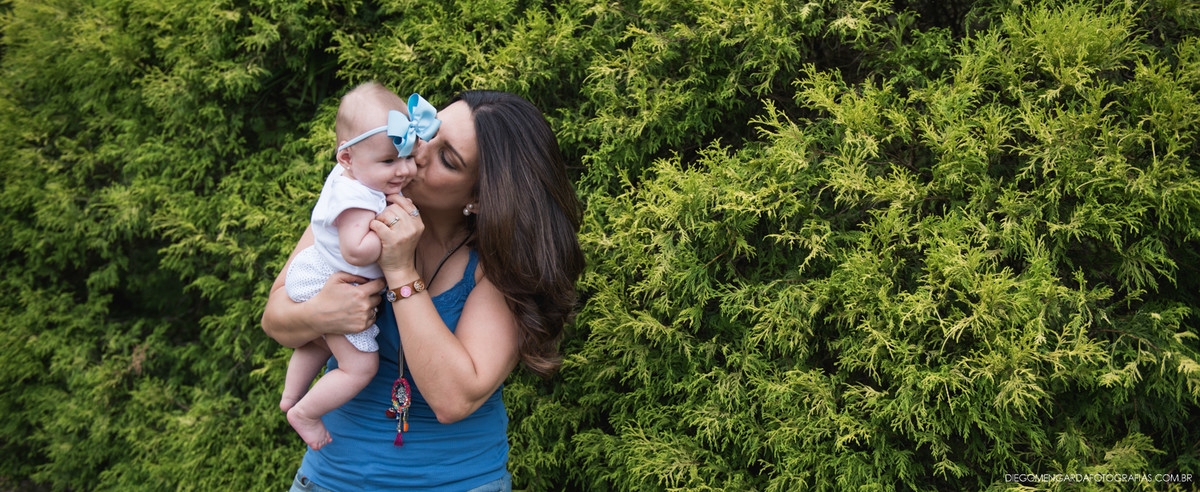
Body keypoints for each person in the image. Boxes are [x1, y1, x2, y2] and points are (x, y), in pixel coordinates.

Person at [262, 90, 585, 491]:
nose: (417, 154)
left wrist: (399, 269)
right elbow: (275, 320)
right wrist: (319, 314)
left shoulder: (499, 266)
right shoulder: (359, 207)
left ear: (480, 198)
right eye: (425, 133)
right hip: (328, 479)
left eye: (447, 159)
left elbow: (453, 400)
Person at [279, 81, 440, 451]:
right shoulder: (355, 197)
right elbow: (356, 250)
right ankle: (304, 413)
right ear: (346, 158)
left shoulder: (359, 179)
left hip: (323, 274)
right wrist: (393, 235)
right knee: (359, 367)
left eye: (408, 157)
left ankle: (291, 396)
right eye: (389, 161)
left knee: (321, 343)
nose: (403, 170)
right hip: (330, 280)